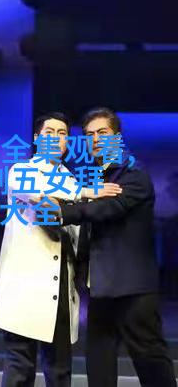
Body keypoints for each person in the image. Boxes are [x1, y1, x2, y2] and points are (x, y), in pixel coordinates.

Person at [0, 112, 121, 387]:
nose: (56, 138)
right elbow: (41, 198)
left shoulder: (71, 179)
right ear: (36, 139)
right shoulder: (22, 170)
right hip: (25, 284)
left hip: (61, 286)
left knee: (60, 370)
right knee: (20, 368)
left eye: (62, 134)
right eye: (49, 132)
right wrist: (87, 193)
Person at [55, 108, 177, 387]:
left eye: (103, 132)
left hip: (133, 290)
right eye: (89, 135)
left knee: (150, 362)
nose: (96, 139)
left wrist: (62, 211)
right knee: (99, 366)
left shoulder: (133, 174)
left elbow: (107, 209)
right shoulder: (96, 178)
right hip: (101, 288)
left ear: (118, 137)